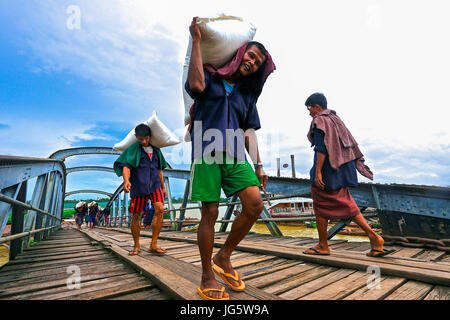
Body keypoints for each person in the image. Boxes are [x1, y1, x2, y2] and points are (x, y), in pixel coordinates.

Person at [185, 17, 276, 300]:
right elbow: (196, 86)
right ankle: (206, 275)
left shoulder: (247, 94)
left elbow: (249, 130)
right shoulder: (211, 77)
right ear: (240, 54)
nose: (253, 62)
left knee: (254, 204)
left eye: (259, 61)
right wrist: (197, 40)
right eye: (251, 55)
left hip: (236, 151)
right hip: (207, 149)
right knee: (210, 213)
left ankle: (223, 257)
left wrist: (259, 164)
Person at [302, 93, 394, 258]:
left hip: (328, 169)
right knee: (345, 202)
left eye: (309, 108)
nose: (309, 112)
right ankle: (375, 238)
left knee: (320, 205)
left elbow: (321, 148)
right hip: (343, 167)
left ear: (317, 107)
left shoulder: (320, 120)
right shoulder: (336, 120)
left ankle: (323, 245)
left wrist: (317, 172)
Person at [113, 123, 168, 256]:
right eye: (140, 139)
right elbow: (126, 167)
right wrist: (126, 181)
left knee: (160, 209)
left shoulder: (156, 151)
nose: (144, 141)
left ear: (150, 136)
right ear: (136, 137)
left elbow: (160, 170)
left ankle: (153, 243)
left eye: (146, 138)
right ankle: (136, 245)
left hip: (155, 185)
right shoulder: (133, 149)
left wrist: (163, 186)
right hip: (139, 186)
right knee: (136, 215)